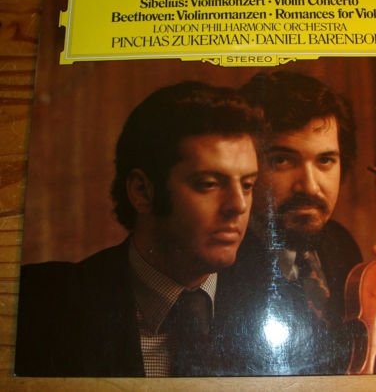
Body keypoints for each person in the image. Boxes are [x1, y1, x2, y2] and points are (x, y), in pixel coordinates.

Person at [222, 70, 376, 375]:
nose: (310, 186)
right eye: (281, 160)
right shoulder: (216, 262)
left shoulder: (338, 242)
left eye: (325, 160)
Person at [15, 81, 263, 377]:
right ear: (142, 191)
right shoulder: (40, 306)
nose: (239, 205)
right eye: (208, 184)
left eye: (248, 185)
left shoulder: (276, 301)